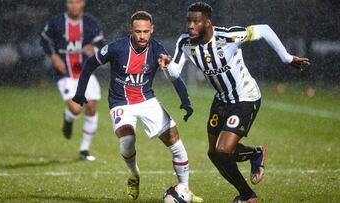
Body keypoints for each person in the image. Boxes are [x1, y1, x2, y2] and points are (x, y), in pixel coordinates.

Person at [163, 2, 310, 203]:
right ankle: (247, 195)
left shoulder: (227, 37)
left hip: (245, 98)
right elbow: (174, 72)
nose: (190, 26)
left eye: (196, 21)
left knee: (224, 150)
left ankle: (255, 154)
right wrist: (166, 67)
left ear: (207, 22)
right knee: (215, 154)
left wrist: (286, 58)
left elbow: (264, 29)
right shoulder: (185, 43)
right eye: (189, 21)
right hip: (221, 100)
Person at [72, 11, 203, 202]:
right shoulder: (117, 48)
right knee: (127, 140)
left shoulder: (157, 50)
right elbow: (91, 64)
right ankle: (133, 174)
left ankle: (185, 189)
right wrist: (80, 92)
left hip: (147, 100)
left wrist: (186, 101)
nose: (142, 36)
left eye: (146, 31)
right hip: (120, 102)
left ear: (152, 30)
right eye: (138, 31)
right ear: (131, 30)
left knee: (175, 141)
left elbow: (173, 76)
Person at [40, 0, 106, 161]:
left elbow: (102, 45)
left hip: (85, 72)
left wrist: (94, 50)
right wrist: (54, 56)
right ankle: (68, 118)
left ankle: (84, 149)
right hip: (65, 74)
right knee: (76, 109)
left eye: (77, 2)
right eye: (71, 2)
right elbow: (44, 40)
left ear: (83, 4)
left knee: (90, 107)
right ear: (66, 4)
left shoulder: (90, 23)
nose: (74, 6)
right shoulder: (56, 23)